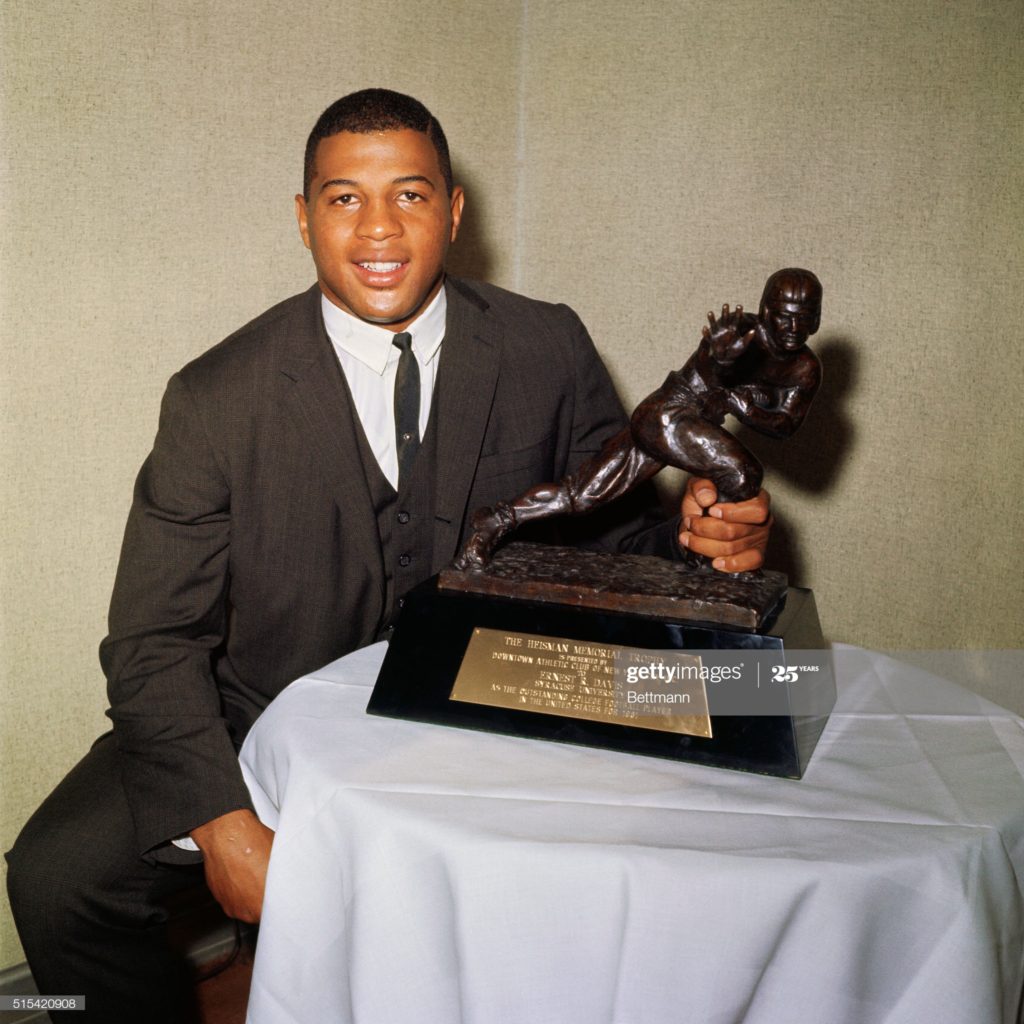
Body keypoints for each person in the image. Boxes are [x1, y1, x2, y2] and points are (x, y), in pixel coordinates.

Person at [5, 89, 771, 1022]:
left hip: (488, 686)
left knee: (727, 765)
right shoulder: (215, 397)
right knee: (54, 878)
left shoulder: (545, 344)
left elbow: (614, 538)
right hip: (261, 707)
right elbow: (151, 640)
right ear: (302, 219)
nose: (379, 229)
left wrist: (702, 537)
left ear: (453, 211)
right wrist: (223, 822)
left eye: (409, 196)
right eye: (343, 199)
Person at [454, 268, 821, 570]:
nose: (791, 327)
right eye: (782, 315)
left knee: (581, 495)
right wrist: (720, 363)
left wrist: (741, 405)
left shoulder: (804, 368)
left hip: (671, 421)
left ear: (817, 320)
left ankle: (497, 519)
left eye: (803, 318)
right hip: (668, 413)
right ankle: (705, 562)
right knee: (743, 473)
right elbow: (711, 367)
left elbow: (784, 425)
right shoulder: (740, 331)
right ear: (765, 309)